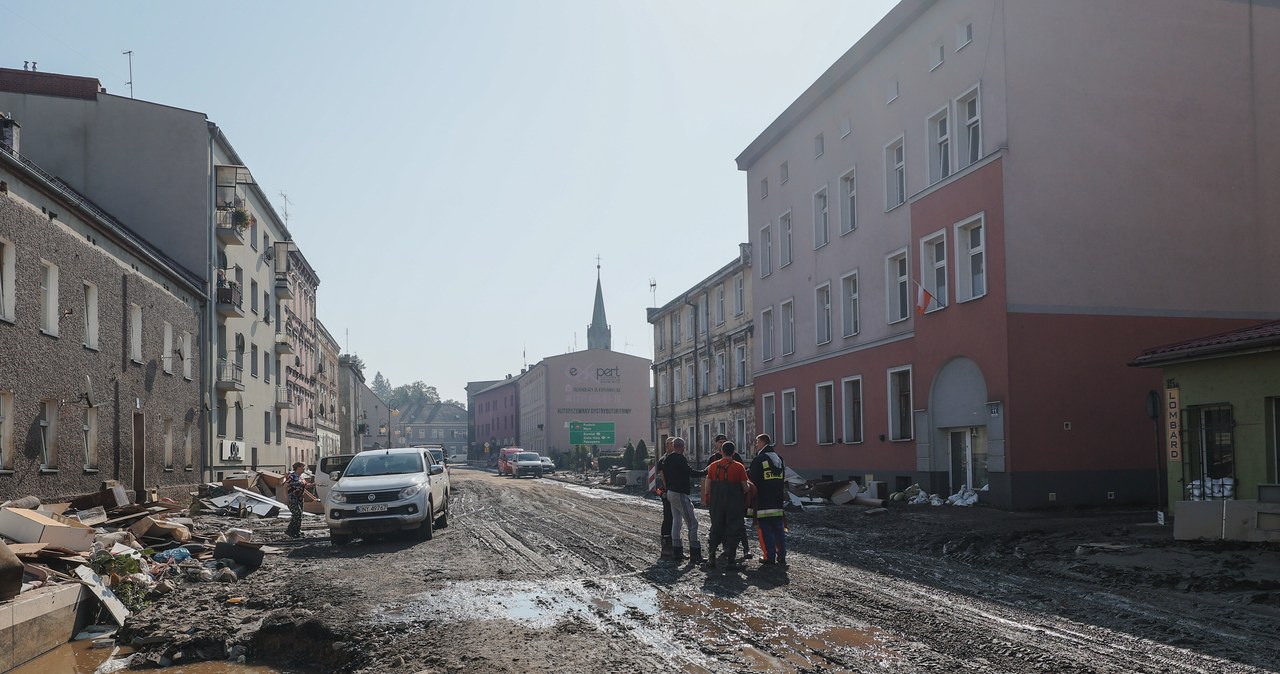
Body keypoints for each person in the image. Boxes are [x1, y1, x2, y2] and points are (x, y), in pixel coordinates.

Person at [701, 441, 751, 570]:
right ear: (733, 453)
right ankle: (731, 560)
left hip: (716, 503)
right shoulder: (739, 467)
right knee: (733, 528)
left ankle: (711, 557)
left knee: (716, 527)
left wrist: (707, 497)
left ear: (721, 452)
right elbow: (745, 488)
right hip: (734, 503)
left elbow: (707, 485)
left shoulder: (712, 466)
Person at [660, 438, 704, 564]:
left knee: (677, 522)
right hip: (679, 493)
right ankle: (695, 553)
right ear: (682, 447)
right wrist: (705, 471)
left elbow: (664, 476)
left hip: (670, 493)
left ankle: (677, 551)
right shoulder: (680, 458)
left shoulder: (666, 459)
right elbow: (690, 472)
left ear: (673, 446)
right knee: (692, 523)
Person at [749, 434, 787, 567]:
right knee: (779, 529)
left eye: (757, 442)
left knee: (765, 530)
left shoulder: (759, 459)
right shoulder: (779, 459)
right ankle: (781, 556)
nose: (756, 444)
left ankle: (769, 557)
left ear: (762, 442)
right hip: (777, 501)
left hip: (763, 502)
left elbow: (751, 480)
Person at [655, 437, 676, 559]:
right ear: (667, 446)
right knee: (668, 517)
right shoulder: (663, 460)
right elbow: (662, 476)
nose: (673, 447)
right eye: (672, 444)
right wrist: (667, 489)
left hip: (672, 491)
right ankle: (666, 545)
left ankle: (673, 544)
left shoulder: (672, 459)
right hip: (667, 492)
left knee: (674, 518)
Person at [284, 461, 312, 539]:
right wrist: (286, 497)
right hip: (292, 498)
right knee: (297, 514)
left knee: (300, 515)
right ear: (298, 467)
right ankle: (290, 531)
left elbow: (305, 486)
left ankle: (297, 531)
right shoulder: (292, 476)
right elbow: (285, 486)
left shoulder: (301, 477)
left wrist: (315, 484)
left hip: (300, 499)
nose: (304, 469)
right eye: (303, 467)